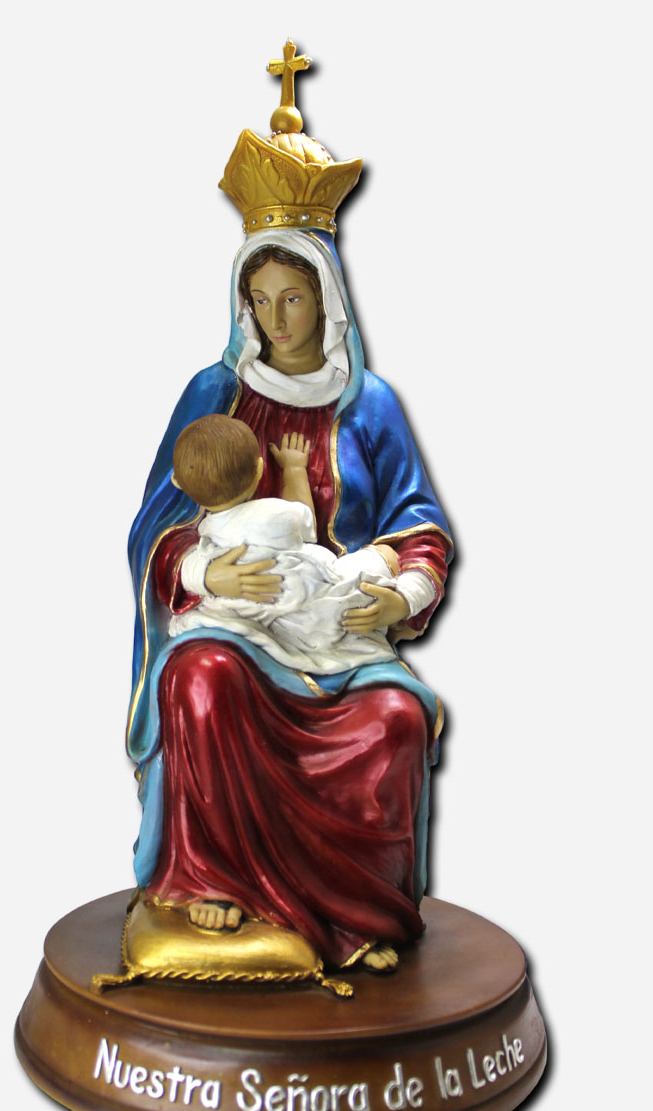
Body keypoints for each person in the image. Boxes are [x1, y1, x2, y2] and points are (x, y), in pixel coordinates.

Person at [127, 229, 452, 972]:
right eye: (261, 300)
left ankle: (361, 909)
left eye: (294, 299)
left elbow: (418, 527)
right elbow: (156, 528)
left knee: (396, 719)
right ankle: (216, 877)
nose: (276, 319)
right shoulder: (215, 396)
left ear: (327, 301)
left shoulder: (370, 406)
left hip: (340, 627)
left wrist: (399, 600)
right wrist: (209, 575)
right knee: (200, 677)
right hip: (237, 627)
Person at [168, 414, 401, 674]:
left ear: (178, 483)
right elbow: (305, 519)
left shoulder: (206, 536)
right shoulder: (277, 514)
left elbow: (187, 572)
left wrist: (204, 577)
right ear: (259, 469)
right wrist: (293, 469)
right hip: (307, 600)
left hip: (249, 614)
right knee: (384, 556)